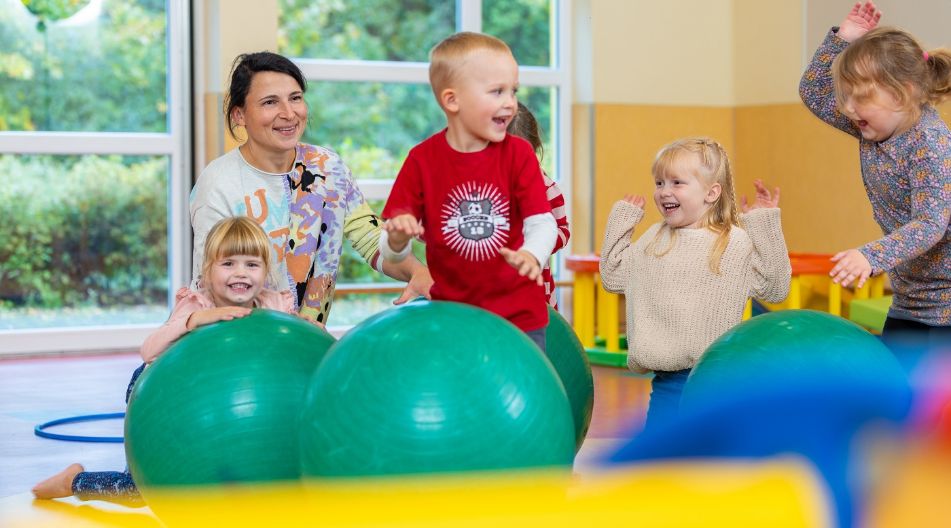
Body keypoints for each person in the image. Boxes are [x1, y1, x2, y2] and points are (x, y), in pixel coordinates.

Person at [31, 216, 299, 505]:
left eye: (252, 264)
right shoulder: (197, 305)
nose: (241, 273)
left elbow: (294, 350)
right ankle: (73, 481)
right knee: (141, 490)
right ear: (208, 271)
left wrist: (309, 331)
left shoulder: (273, 305)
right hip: (161, 396)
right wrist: (195, 321)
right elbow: (149, 350)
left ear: (265, 271)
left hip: (222, 404)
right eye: (228, 263)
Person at [190, 51, 433, 326]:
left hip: (304, 343)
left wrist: (417, 272)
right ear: (239, 114)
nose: (288, 113)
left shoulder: (328, 167)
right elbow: (210, 281)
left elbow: (368, 237)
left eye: (295, 98)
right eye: (270, 102)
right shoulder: (218, 183)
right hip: (239, 339)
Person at [379, 32, 558, 351]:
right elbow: (392, 253)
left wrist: (533, 253)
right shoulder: (422, 160)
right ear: (452, 100)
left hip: (519, 320)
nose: (511, 103)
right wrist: (397, 238)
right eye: (497, 91)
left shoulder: (519, 154)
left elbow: (543, 223)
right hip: (452, 319)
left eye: (513, 91)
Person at [599, 137, 791, 431]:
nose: (664, 192)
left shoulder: (733, 242)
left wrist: (764, 223)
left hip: (717, 381)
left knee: (710, 466)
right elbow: (613, 277)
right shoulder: (654, 238)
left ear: (712, 192)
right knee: (662, 465)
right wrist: (621, 222)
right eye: (660, 183)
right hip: (667, 382)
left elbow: (775, 288)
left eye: (677, 183)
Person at [799, 1, 951, 347]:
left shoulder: (931, 144)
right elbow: (813, 92)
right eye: (846, 96)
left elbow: (931, 223)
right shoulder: (876, 128)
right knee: (900, 395)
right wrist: (842, 40)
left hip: (946, 309)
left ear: (903, 93)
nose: (848, 109)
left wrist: (871, 255)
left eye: (860, 98)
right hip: (910, 302)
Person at [507, 101, 571, 310]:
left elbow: (563, 231)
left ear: (535, 150)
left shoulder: (547, 188)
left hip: (536, 288)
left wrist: (536, 245)